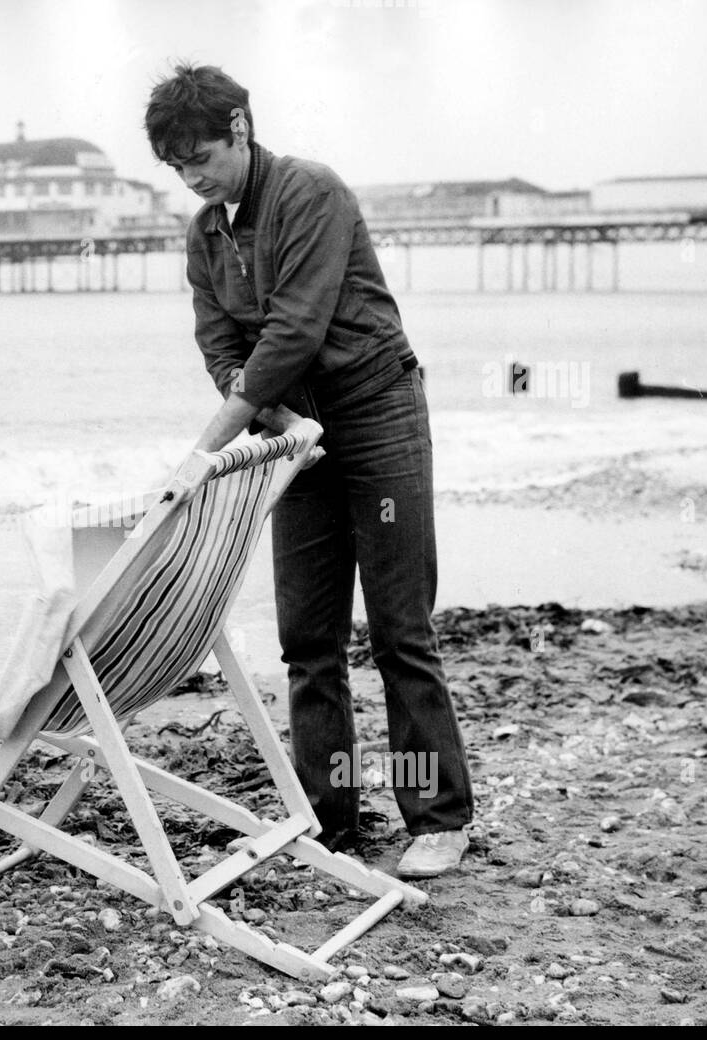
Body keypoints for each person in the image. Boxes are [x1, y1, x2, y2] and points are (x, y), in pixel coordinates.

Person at [144, 63, 474, 878]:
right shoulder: (203, 233)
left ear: (241, 129)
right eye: (177, 166)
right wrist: (283, 422)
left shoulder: (310, 192)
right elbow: (221, 346)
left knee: (399, 626)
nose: (192, 177)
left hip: (378, 410)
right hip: (298, 431)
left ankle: (437, 817)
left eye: (202, 157)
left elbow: (291, 331)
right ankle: (329, 816)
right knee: (306, 636)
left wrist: (202, 452)